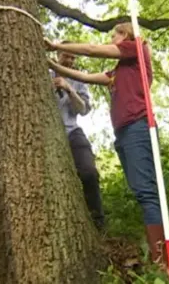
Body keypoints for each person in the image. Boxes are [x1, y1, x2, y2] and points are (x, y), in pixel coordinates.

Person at [44, 23, 166, 266]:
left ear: (126, 35)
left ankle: (161, 259)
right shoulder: (117, 72)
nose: (112, 38)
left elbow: (91, 49)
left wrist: (55, 45)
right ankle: (157, 255)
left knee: (146, 192)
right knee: (140, 191)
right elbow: (83, 76)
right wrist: (50, 63)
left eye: (115, 34)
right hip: (122, 133)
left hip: (137, 127)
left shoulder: (136, 50)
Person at [49, 47, 106, 232]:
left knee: (89, 172)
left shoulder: (79, 79)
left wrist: (69, 88)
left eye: (73, 58)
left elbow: (83, 109)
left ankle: (97, 220)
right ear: (58, 55)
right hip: (49, 134)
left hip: (72, 132)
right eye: (66, 56)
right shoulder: (43, 73)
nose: (69, 61)